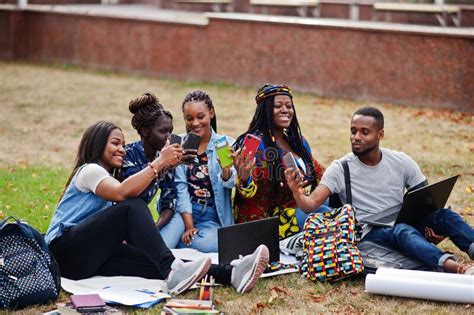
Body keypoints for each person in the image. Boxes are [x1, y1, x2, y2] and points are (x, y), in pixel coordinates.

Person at [45, 120, 269, 295]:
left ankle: (231, 273)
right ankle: (174, 271)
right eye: (115, 143)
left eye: (123, 144)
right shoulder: (90, 171)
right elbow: (123, 194)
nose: (121, 149)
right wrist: (160, 162)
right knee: (133, 206)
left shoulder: (107, 177)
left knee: (159, 263)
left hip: (84, 263)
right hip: (63, 252)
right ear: (97, 143)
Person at [285, 107, 474, 274]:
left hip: (402, 219)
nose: (356, 137)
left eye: (364, 132)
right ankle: (456, 268)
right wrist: (297, 191)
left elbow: (425, 198)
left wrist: (429, 226)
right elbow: (310, 205)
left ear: (380, 135)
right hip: (369, 231)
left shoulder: (401, 161)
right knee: (402, 231)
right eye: (353, 131)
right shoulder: (340, 168)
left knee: (445, 216)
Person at [232, 84, 327, 247]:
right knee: (326, 217)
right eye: (278, 106)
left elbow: (319, 173)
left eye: (289, 106)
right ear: (265, 110)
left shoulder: (298, 141)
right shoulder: (255, 144)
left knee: (335, 204)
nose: (285, 110)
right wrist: (244, 177)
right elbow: (247, 195)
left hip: (299, 207)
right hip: (270, 223)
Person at [120, 92, 185, 248]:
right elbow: (133, 194)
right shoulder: (126, 156)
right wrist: (162, 164)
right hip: (115, 222)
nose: (168, 138)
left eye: (171, 131)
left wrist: (153, 229)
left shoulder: (164, 157)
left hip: (139, 223)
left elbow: (169, 203)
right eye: (163, 131)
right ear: (145, 131)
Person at [174, 90, 236, 253]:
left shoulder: (226, 144)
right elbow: (180, 188)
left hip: (212, 216)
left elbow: (232, 183)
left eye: (200, 117)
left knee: (213, 244)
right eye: (189, 118)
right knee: (161, 241)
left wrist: (225, 172)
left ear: (211, 113)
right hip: (182, 213)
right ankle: (181, 242)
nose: (195, 123)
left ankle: (181, 245)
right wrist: (189, 227)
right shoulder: (178, 145)